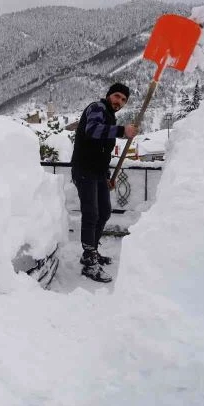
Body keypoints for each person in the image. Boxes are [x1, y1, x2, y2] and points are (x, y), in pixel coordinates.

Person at [71, 82, 138, 282]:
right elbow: (92, 130)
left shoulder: (109, 115)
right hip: (84, 169)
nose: (119, 101)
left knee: (105, 212)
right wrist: (121, 131)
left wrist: (107, 177)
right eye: (117, 96)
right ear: (109, 95)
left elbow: (101, 153)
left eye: (124, 100)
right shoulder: (96, 108)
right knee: (91, 213)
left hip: (98, 173)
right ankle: (90, 263)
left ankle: (90, 251)